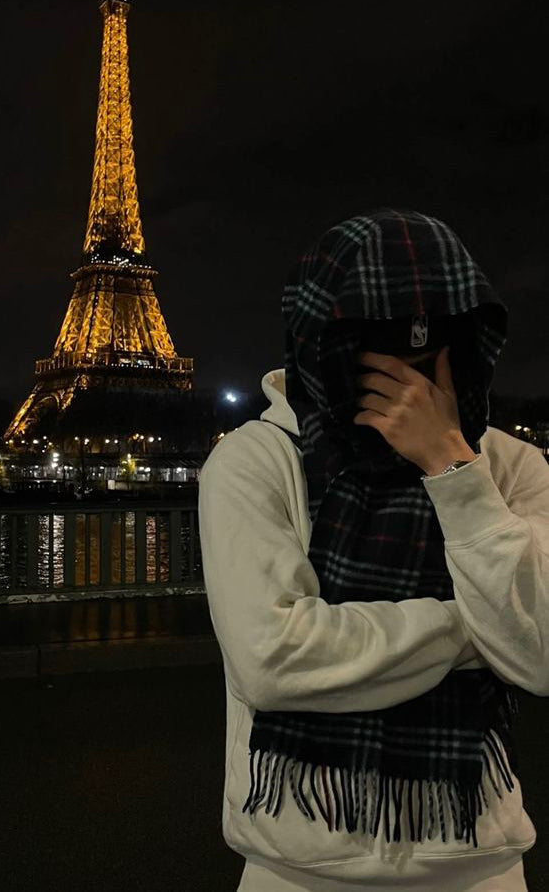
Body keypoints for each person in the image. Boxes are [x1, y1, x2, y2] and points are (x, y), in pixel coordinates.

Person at [198, 208, 549, 892]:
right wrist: (473, 628)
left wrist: (452, 467)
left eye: (430, 343)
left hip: (480, 864)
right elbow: (272, 662)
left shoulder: (511, 468)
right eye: (380, 344)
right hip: (295, 869)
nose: (408, 377)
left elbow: (539, 655)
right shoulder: (255, 461)